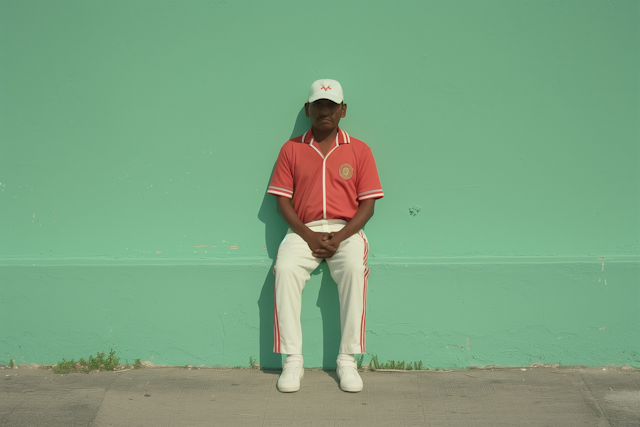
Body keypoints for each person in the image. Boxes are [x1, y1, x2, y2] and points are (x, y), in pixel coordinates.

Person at [267, 79, 384, 393]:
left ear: (343, 110)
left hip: (347, 231)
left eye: (331, 106)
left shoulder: (359, 150)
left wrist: (340, 236)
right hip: (303, 231)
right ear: (308, 109)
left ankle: (347, 359)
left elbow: (368, 205)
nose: (325, 111)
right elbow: (282, 202)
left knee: (354, 270)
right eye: (319, 105)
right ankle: (292, 360)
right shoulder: (291, 149)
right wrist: (308, 236)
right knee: (286, 268)